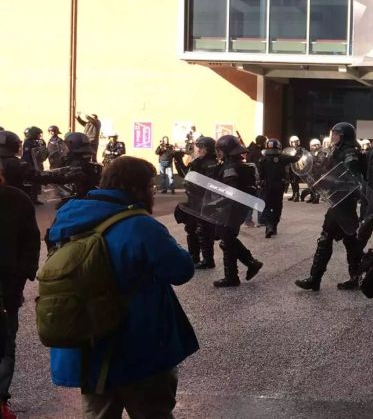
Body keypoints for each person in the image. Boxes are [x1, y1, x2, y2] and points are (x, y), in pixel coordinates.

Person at [44, 156, 198, 418]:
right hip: (139, 347)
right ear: (136, 188)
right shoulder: (141, 225)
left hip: (86, 343)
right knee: (153, 412)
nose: (152, 192)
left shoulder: (67, 217)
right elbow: (181, 270)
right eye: (150, 187)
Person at [296, 123, 366, 291]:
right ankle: (357, 275)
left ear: (342, 136)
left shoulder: (350, 153)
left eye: (335, 134)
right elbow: (328, 170)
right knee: (349, 239)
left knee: (327, 237)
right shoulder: (337, 150)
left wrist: (326, 181)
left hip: (344, 201)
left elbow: (350, 179)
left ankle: (316, 278)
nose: (332, 137)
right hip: (337, 200)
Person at [0, 166, 41, 419]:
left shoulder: (17, 199)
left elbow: (31, 241)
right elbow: (32, 241)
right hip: (9, 284)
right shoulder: (17, 198)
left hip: (7, 284)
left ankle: (0, 400)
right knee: (5, 343)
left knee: (5, 342)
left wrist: (24, 273)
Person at [212, 135, 264, 288]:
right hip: (238, 208)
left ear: (227, 151)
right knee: (228, 239)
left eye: (220, 150)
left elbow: (229, 191)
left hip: (231, 209)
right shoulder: (236, 164)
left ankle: (232, 277)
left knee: (227, 239)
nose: (218, 153)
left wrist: (214, 203)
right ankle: (250, 264)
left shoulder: (230, 167)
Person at [174, 136, 219, 270]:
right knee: (192, 229)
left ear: (207, 149)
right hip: (194, 200)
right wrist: (178, 160)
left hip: (204, 202)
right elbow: (185, 174)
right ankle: (194, 257)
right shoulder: (198, 162)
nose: (198, 150)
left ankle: (207, 259)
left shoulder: (211, 164)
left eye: (201, 148)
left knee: (203, 231)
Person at [258, 138, 301, 238]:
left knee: (267, 206)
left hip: (266, 187)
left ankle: (268, 226)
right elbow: (296, 158)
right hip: (278, 187)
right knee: (277, 206)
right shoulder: (282, 158)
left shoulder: (262, 159)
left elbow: (260, 175)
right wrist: (299, 151)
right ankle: (273, 226)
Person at [21, 127, 47, 204]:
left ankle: (34, 199)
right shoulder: (28, 142)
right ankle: (29, 200)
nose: (39, 135)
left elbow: (37, 154)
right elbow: (27, 156)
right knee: (30, 184)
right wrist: (30, 167)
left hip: (36, 165)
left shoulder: (34, 142)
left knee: (35, 183)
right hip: (30, 165)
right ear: (34, 134)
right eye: (38, 134)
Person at [300, 138, 324, 204]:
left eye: (317, 145)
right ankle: (312, 196)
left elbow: (321, 162)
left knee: (316, 185)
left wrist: (313, 158)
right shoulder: (310, 153)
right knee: (310, 185)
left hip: (317, 172)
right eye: (313, 145)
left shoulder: (321, 153)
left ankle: (316, 197)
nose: (315, 146)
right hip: (310, 172)